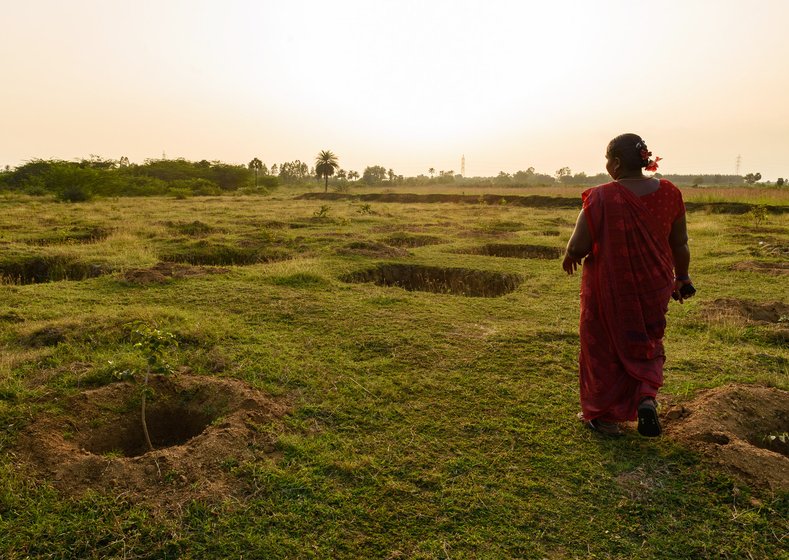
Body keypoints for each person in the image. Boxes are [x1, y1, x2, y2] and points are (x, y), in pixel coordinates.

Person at [562, 133, 694, 437]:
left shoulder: (601, 197)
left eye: (608, 159)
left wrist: (570, 256)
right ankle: (646, 397)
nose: (607, 164)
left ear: (617, 162)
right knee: (647, 341)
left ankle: (605, 417)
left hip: (611, 289)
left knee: (603, 345)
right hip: (656, 285)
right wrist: (683, 278)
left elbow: (579, 244)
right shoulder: (670, 192)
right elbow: (681, 243)